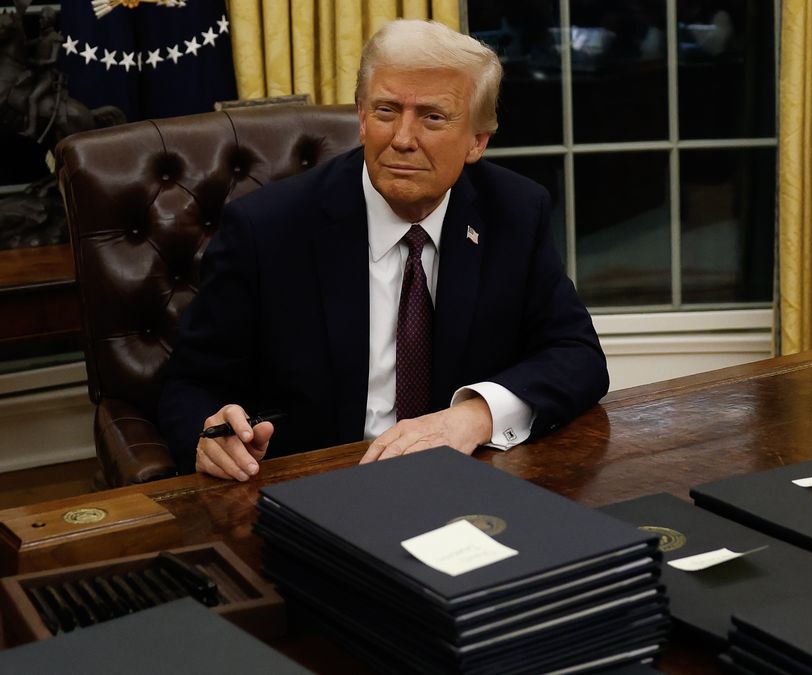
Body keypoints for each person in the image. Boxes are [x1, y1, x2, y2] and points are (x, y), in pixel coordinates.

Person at [159, 19, 608, 481]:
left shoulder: (513, 212)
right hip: (317, 484)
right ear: (361, 117)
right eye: (386, 111)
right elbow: (190, 385)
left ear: (477, 141)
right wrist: (208, 435)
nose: (402, 139)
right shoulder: (267, 229)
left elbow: (577, 355)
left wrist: (475, 415)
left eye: (433, 117)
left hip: (467, 477)